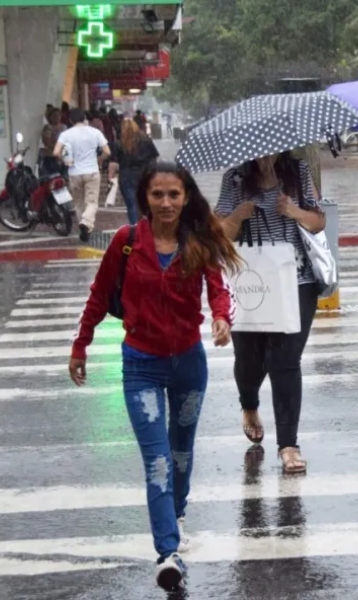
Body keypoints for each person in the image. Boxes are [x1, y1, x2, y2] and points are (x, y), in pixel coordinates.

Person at [68, 162, 240, 591]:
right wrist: (81, 344)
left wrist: (221, 318)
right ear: (145, 197)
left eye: (174, 195)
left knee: (181, 453)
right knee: (158, 460)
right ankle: (168, 551)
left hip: (188, 363)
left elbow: (217, 288)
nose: (166, 203)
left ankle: (175, 511)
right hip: (141, 364)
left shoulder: (197, 241)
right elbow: (99, 293)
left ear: (185, 198)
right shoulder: (127, 243)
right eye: (157, 195)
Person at [216, 151, 325, 474]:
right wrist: (238, 215)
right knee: (249, 360)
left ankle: (289, 445)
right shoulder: (235, 178)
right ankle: (249, 404)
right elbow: (220, 232)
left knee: (285, 360)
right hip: (251, 281)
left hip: (297, 281)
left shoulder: (299, 172)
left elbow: (319, 221)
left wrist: (293, 211)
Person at [53, 108, 111, 242]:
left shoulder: (66, 134)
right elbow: (107, 152)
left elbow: (56, 152)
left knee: (78, 204)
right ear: (84, 118)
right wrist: (99, 160)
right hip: (91, 171)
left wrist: (65, 161)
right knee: (91, 202)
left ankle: (84, 228)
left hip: (74, 173)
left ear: (71, 120)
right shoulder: (95, 132)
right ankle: (86, 224)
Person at [110, 118, 160, 225]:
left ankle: (134, 227)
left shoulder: (119, 144)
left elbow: (114, 162)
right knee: (145, 201)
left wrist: (111, 176)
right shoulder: (146, 141)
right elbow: (154, 158)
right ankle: (147, 225)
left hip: (126, 176)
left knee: (131, 204)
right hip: (144, 174)